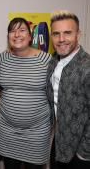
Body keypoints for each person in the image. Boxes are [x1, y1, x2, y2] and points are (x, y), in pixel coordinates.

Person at [0, 17, 52, 169]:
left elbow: (55, 93)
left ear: (30, 36)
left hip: (36, 133)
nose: (17, 34)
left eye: (21, 30)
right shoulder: (3, 58)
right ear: (8, 37)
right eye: (12, 31)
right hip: (8, 132)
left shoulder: (46, 60)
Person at [47, 10, 90, 169]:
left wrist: (83, 154)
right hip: (59, 142)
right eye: (56, 34)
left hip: (81, 153)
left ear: (78, 34)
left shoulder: (87, 68)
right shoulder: (53, 61)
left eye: (67, 33)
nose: (61, 39)